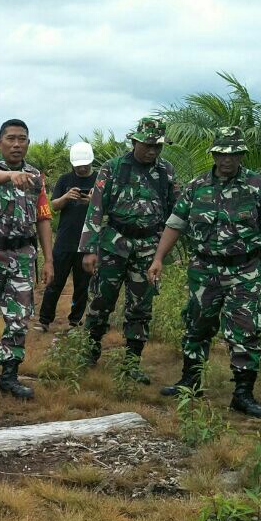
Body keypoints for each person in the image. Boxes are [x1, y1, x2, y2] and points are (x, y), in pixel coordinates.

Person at [147, 126, 261, 418]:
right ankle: (190, 382)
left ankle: (242, 393)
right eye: (222, 154)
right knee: (197, 324)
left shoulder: (257, 185)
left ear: (241, 155)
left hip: (245, 269)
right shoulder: (196, 186)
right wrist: (158, 258)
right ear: (213, 154)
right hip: (204, 268)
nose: (228, 160)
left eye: (234, 154)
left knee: (246, 329)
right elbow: (175, 223)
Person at [79, 117, 178, 383]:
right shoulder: (113, 169)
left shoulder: (166, 172)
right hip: (114, 244)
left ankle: (132, 363)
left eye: (157, 146)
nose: (152, 150)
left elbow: (174, 214)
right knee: (101, 300)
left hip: (148, 247)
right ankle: (90, 351)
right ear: (134, 141)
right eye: (147, 145)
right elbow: (96, 208)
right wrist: (89, 248)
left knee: (141, 306)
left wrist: (167, 253)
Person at [0, 119, 54, 399]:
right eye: (11, 139)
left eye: (22, 139)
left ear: (28, 142)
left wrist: (49, 260)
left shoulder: (35, 176)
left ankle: (9, 375)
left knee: (19, 318)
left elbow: (43, 218)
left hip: (23, 256)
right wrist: (8, 176)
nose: (17, 144)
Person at [35, 141, 96, 332]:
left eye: (85, 164)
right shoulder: (64, 179)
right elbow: (53, 205)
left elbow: (106, 208)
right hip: (65, 240)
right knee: (55, 282)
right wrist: (66, 197)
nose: (82, 167)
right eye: (78, 165)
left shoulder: (100, 180)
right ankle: (44, 320)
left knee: (82, 285)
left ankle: (75, 322)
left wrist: (92, 202)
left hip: (87, 242)